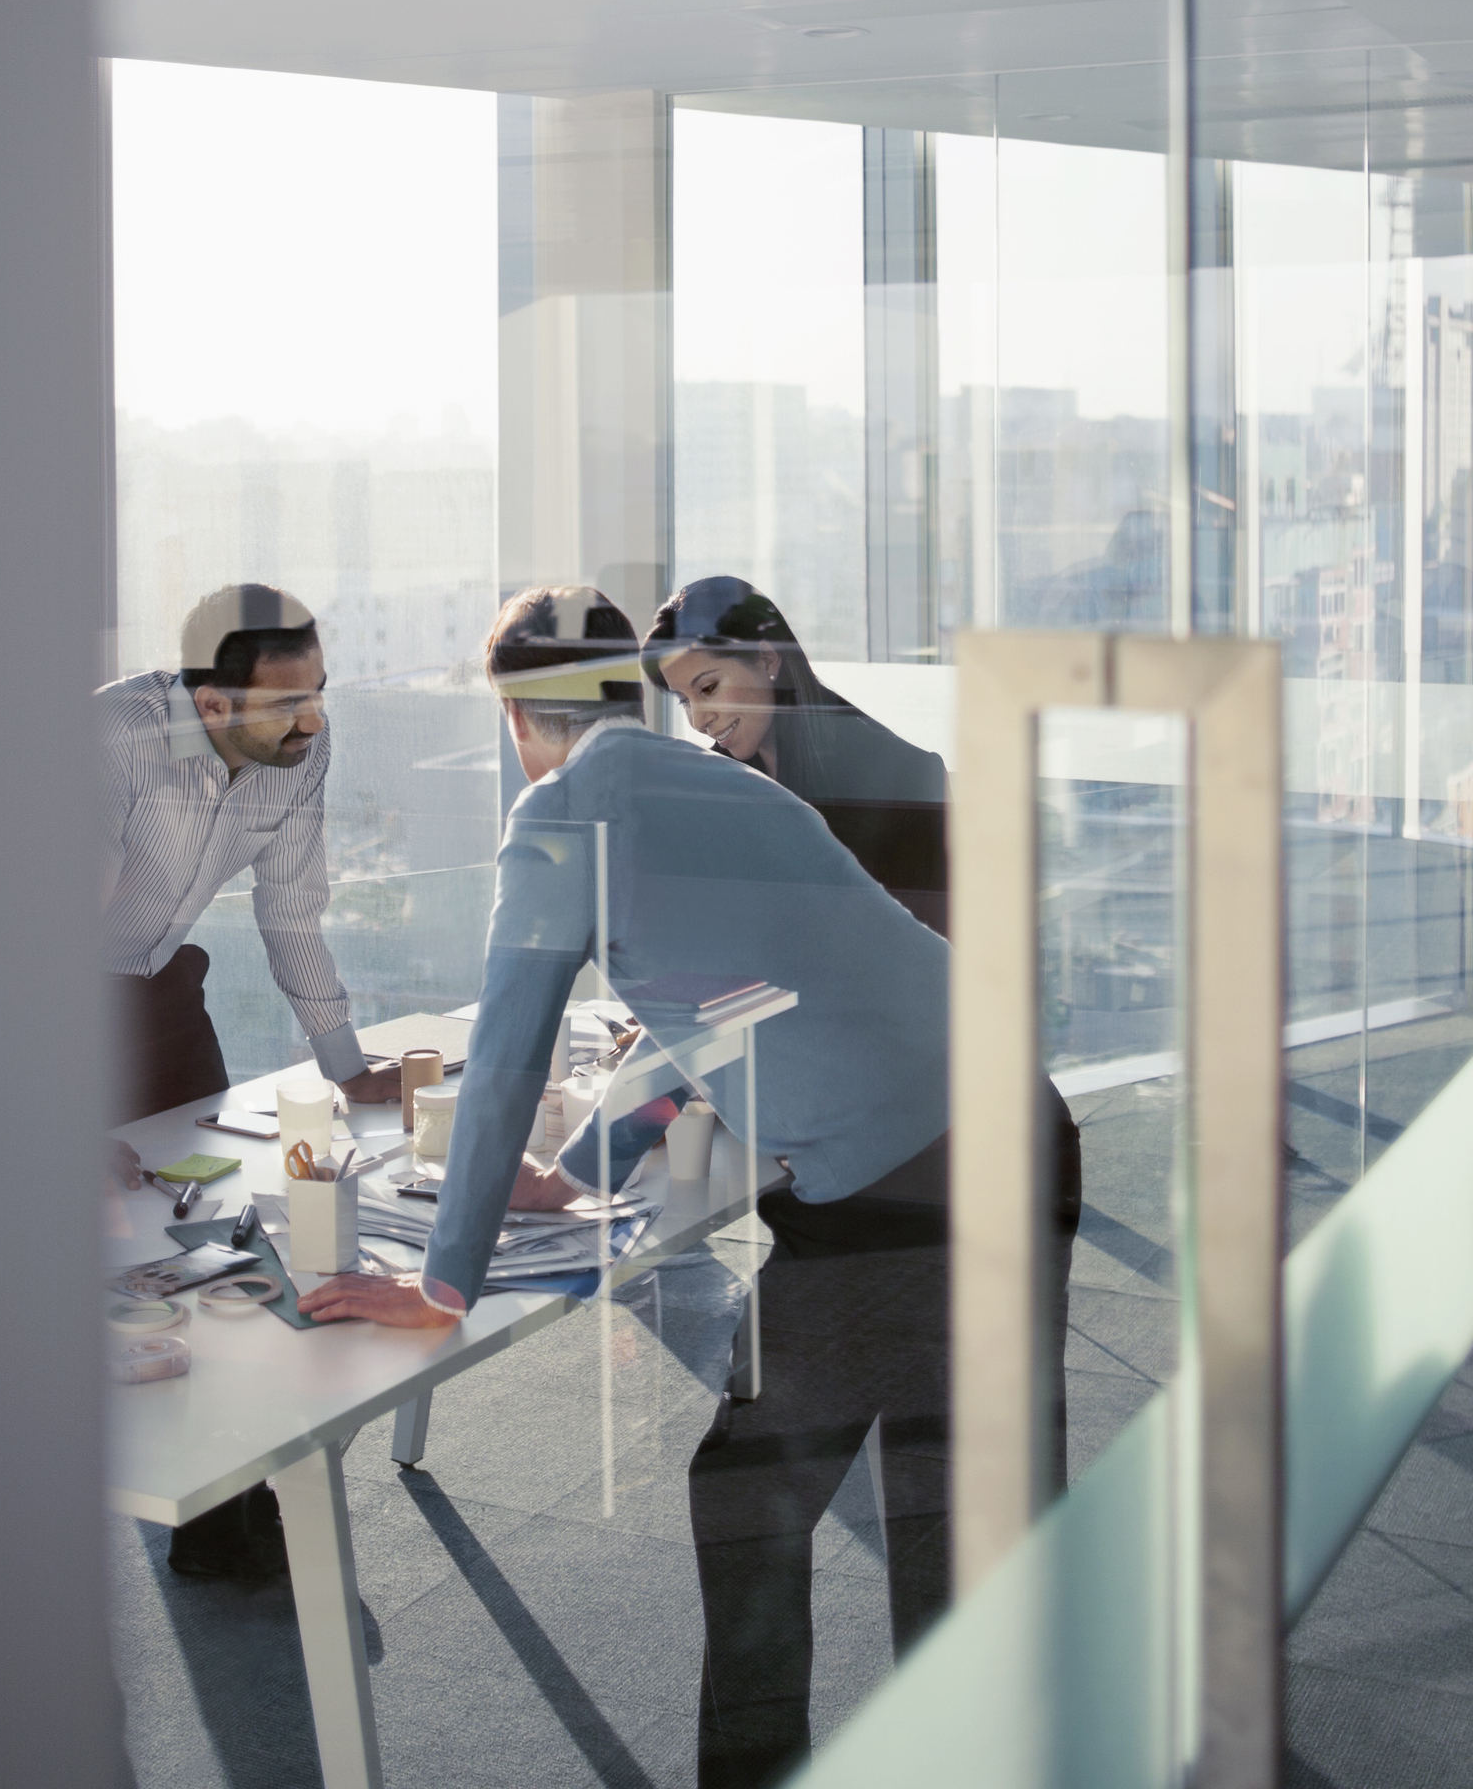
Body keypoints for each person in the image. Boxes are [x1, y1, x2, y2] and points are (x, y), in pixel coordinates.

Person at [300, 586, 1075, 1788]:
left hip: (903, 1195)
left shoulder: (561, 813)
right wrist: (580, 1170)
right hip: (1023, 1129)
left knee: (754, 1495)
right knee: (955, 1503)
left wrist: (444, 1278)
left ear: (520, 713)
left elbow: (506, 1052)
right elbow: (728, 1006)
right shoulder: (732, 787)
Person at [101, 582, 398, 1587]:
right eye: (285, 701)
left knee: (219, 1223)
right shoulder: (113, 741)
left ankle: (225, 1506)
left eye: (318, 690)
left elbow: (294, 915)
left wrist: (347, 1063)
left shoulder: (296, 752)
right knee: (109, 1239)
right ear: (211, 702)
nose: (313, 719)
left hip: (159, 987)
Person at [642, 574, 951, 935]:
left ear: (768, 659)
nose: (697, 720)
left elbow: (932, 957)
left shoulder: (903, 776)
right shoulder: (716, 782)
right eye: (684, 700)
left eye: (708, 688)